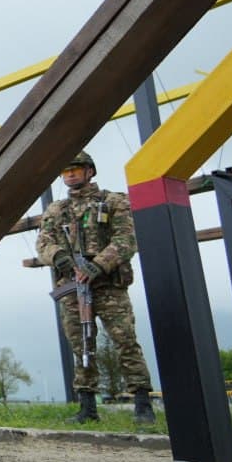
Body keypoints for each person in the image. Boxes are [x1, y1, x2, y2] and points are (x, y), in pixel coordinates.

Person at [36, 151, 156, 424]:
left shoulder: (113, 202)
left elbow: (126, 239)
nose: (70, 174)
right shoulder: (56, 210)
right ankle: (87, 407)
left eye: (75, 168)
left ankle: (142, 403)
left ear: (90, 171)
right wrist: (59, 257)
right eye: (65, 170)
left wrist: (99, 264)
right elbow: (43, 243)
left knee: (125, 341)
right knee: (81, 346)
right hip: (73, 286)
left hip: (107, 285)